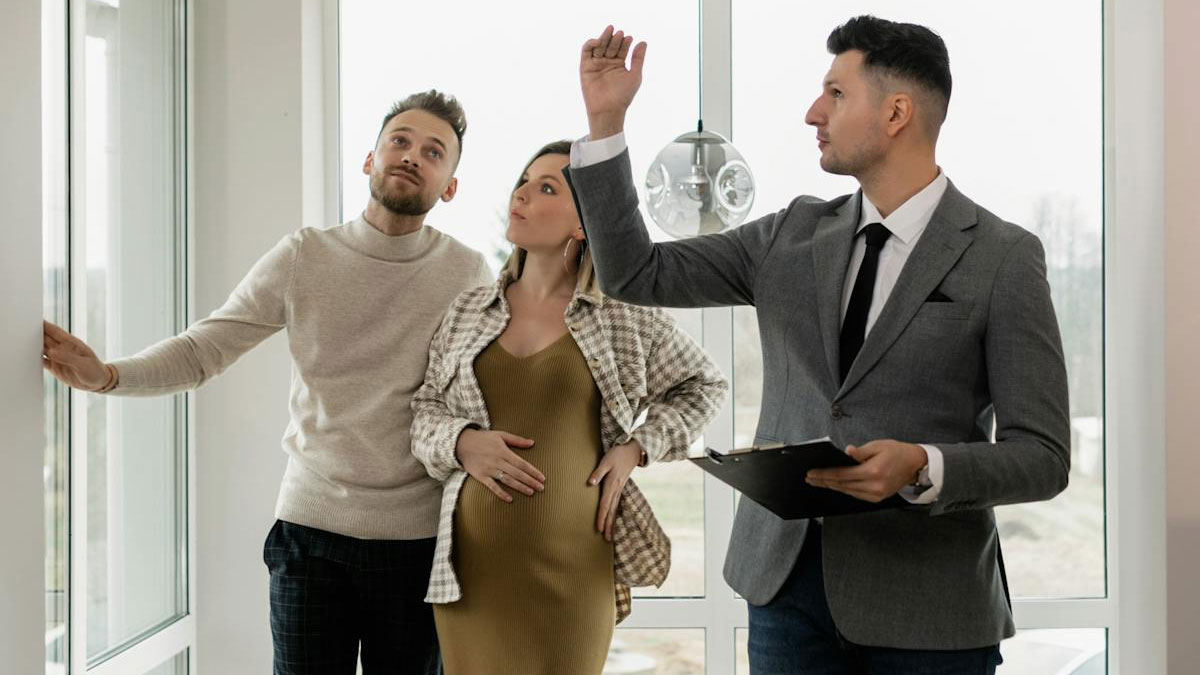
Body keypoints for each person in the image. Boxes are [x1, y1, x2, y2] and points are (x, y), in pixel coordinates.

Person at [569, 18, 1070, 674]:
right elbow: (635, 271)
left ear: (896, 113)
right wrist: (606, 124)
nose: (813, 112)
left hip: (930, 612)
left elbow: (1043, 456)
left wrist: (925, 463)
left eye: (835, 93)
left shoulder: (1002, 257)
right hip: (785, 592)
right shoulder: (791, 235)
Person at [41, 90, 493, 675]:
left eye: (434, 152)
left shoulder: (466, 272)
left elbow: (484, 392)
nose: (411, 156)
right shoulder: (306, 255)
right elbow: (205, 348)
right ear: (369, 159)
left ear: (449, 186)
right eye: (399, 141)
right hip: (310, 533)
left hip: (417, 545)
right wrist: (106, 376)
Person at [409, 140, 728, 675]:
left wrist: (637, 449)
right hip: (471, 576)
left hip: (575, 571)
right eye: (525, 181)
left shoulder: (623, 316)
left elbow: (705, 385)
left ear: (584, 223)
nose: (523, 193)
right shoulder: (467, 310)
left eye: (547, 187)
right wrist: (462, 443)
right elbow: (423, 414)